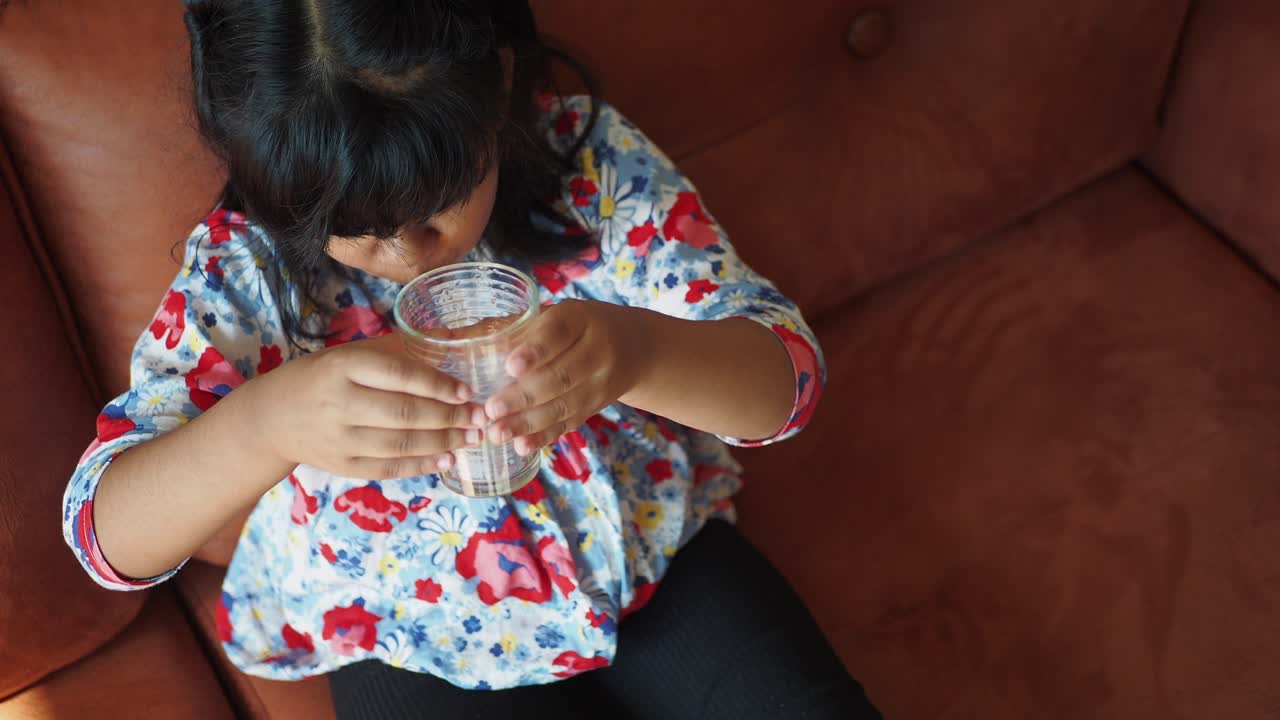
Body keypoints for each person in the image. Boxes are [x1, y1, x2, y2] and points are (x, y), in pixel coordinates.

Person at [61, 1, 881, 718]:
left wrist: (640, 350)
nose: (405, 256)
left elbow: (786, 383)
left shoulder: (586, 169)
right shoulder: (253, 271)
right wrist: (267, 425)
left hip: (649, 555)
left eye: (434, 207)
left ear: (495, 85)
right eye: (351, 228)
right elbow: (104, 537)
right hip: (400, 629)